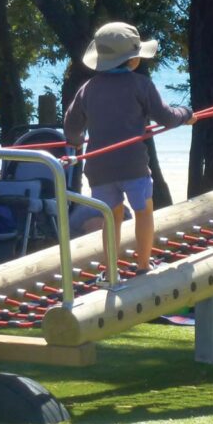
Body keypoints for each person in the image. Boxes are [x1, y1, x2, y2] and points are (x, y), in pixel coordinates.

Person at [64, 21, 196, 273]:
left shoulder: (87, 89)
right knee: (143, 211)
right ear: (134, 60)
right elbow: (166, 118)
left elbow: (71, 126)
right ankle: (144, 265)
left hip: (99, 168)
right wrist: (186, 113)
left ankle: (110, 268)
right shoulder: (140, 85)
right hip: (133, 165)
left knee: (110, 219)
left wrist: (76, 140)